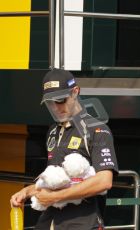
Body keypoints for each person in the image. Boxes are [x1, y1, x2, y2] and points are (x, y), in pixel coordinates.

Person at [10, 68, 118, 230]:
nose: (55, 107)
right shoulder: (53, 131)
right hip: (49, 221)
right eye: (50, 103)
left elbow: (104, 181)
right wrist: (27, 192)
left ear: (75, 92)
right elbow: (57, 181)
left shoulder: (97, 129)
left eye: (60, 100)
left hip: (83, 222)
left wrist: (54, 197)